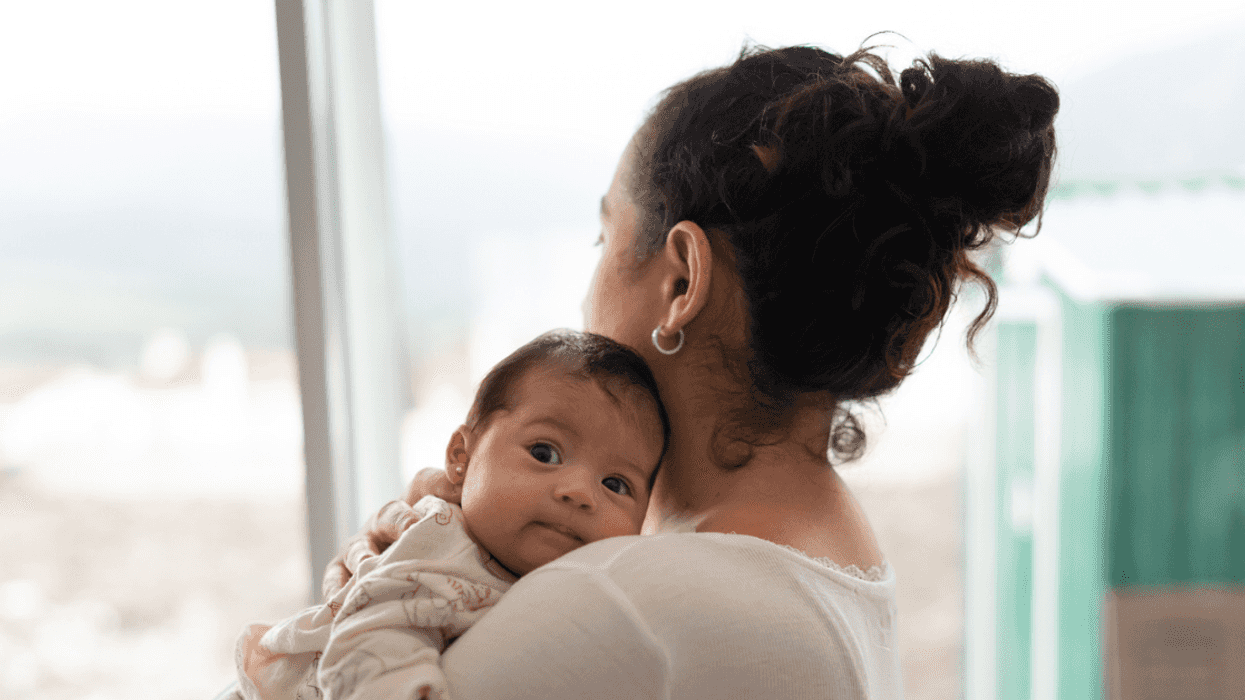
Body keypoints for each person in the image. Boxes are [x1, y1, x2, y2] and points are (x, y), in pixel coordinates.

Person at [325, 43, 1058, 699]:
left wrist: (372, 602)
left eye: (603, 237)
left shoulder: (623, 608)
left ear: (681, 282)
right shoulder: (832, 551)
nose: (586, 298)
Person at [226, 330, 670, 700]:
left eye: (615, 484)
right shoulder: (441, 542)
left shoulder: (587, 581)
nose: (578, 492)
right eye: (544, 452)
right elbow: (369, 643)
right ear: (462, 456)